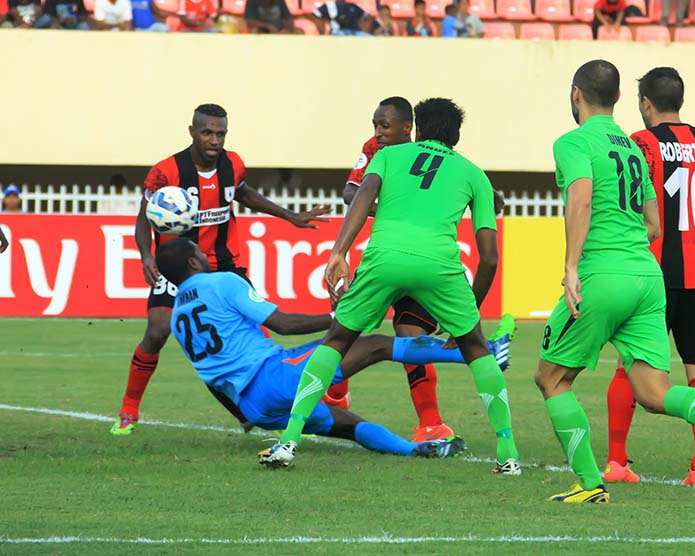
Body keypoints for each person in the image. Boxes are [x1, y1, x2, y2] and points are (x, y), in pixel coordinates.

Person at [536, 59, 695, 504]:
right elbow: (653, 224)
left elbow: (581, 200)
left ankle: (591, 483)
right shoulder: (629, 146)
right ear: (620, 99)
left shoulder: (575, 141)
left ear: (576, 94)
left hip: (603, 275)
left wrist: (572, 267)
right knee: (653, 391)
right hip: (648, 279)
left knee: (550, 378)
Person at [266, 98, 521, 475]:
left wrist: (339, 251)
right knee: (476, 349)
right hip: (438, 265)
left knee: (337, 340)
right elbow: (489, 258)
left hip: (384, 258)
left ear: (416, 129)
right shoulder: (474, 174)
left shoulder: (388, 157)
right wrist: (471, 309)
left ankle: (288, 441)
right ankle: (508, 455)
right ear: (457, 135)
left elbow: (360, 197)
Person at [154, 240, 514, 464]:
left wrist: (243, 416)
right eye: (199, 251)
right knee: (373, 345)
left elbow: (211, 381)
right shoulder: (223, 282)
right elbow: (282, 323)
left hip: (254, 406)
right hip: (274, 377)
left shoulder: (176, 319)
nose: (204, 253)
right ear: (192, 262)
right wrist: (336, 319)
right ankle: (482, 352)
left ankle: (415, 452)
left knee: (348, 424)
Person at [110, 103, 331, 436]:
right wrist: (146, 255)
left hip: (227, 266)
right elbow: (145, 216)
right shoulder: (166, 172)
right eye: (207, 133)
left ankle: (273, 405)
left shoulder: (233, 163)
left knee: (259, 331)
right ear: (192, 132)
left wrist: (291, 216)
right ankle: (129, 410)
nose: (215, 140)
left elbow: (242, 193)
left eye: (221, 133)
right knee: (157, 330)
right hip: (183, 267)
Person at [603, 67, 695, 488]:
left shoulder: (643, 144)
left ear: (646, 104)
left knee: (628, 365)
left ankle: (617, 462)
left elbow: (628, 199)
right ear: (680, 101)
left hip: (653, 273)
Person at [330, 96, 509, 442]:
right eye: (376, 126)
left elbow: (456, 189)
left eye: (385, 126)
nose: (378, 133)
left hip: (401, 257)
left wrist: (490, 198)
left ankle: (430, 423)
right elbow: (352, 192)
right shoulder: (375, 151)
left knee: (407, 333)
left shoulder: (431, 154)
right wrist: (393, 207)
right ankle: (334, 392)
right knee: (342, 326)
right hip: (392, 253)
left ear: (409, 127)